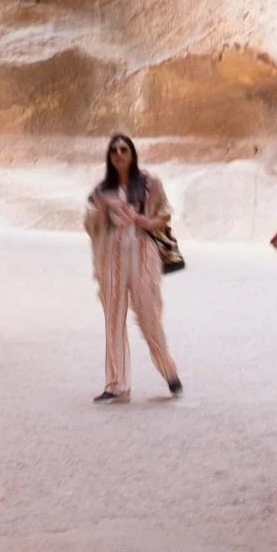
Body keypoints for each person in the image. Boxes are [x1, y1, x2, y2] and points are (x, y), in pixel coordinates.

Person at [84, 134, 183, 403]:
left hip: (142, 252)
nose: (119, 154)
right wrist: (102, 212)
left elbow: (164, 215)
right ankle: (116, 383)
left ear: (132, 153)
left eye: (124, 149)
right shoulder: (102, 190)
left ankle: (168, 370)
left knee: (148, 313)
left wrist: (143, 220)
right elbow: (91, 224)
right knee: (113, 317)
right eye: (114, 150)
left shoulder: (150, 184)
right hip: (113, 254)